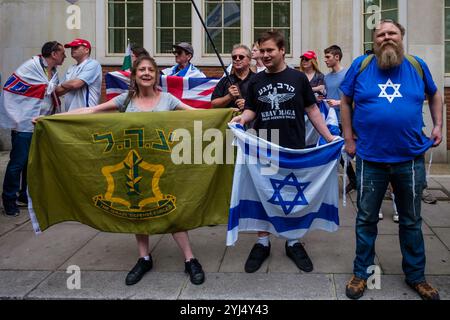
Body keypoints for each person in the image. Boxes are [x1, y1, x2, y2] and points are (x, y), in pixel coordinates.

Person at [50, 55, 206, 286]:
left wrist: (230, 116)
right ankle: (144, 258)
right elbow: (91, 112)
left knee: (172, 210)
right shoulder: (126, 99)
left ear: (155, 76)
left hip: (163, 166)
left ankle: (190, 259)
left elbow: (198, 115)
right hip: (133, 165)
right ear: (134, 76)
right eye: (141, 69)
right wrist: (51, 119)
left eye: (150, 70)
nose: (145, 73)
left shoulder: (168, 99)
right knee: (137, 211)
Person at [340, 19, 442, 300]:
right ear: (374, 40)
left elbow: (435, 95)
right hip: (370, 158)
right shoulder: (361, 66)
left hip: (409, 158)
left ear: (401, 37)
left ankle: (416, 276)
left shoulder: (416, 65)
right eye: (381, 34)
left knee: (410, 220)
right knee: (366, 219)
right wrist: (348, 138)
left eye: (392, 33)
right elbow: (345, 101)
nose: (387, 37)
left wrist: (437, 125)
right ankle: (362, 273)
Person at [230, 30, 337, 274]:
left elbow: (312, 110)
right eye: (262, 50)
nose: (265, 55)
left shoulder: (298, 79)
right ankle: (262, 242)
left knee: (291, 194)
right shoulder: (256, 81)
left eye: (270, 50)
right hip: (265, 146)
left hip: (294, 149)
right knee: (263, 192)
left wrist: (329, 137)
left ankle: (293, 241)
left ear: (282, 51)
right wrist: (240, 119)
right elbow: (251, 111)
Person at [0, 41, 65, 216]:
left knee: (32, 163)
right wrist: (18, 117)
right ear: (53, 54)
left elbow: (50, 92)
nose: (64, 56)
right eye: (62, 53)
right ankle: (8, 200)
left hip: (40, 123)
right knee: (17, 163)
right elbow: (11, 88)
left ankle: (24, 195)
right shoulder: (31, 66)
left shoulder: (53, 71)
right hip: (24, 124)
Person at [323, 45, 357, 193]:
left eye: (328, 57)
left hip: (346, 119)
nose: (325, 60)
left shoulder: (347, 74)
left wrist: (338, 103)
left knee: (352, 151)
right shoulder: (326, 77)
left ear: (337, 57)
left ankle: (360, 180)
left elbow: (355, 97)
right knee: (338, 152)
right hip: (332, 121)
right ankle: (354, 180)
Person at [56, 38, 102, 112]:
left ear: (86, 50)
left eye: (76, 47)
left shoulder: (93, 64)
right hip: (69, 113)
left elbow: (76, 84)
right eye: (72, 48)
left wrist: (65, 84)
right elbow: (58, 91)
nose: (72, 49)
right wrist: (70, 84)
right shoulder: (71, 68)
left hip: (86, 113)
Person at [211, 44, 254, 110]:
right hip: (229, 119)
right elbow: (214, 104)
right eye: (234, 57)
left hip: (251, 119)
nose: (237, 59)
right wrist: (229, 97)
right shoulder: (224, 81)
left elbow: (266, 105)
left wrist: (248, 105)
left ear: (249, 60)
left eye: (241, 57)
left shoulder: (257, 79)